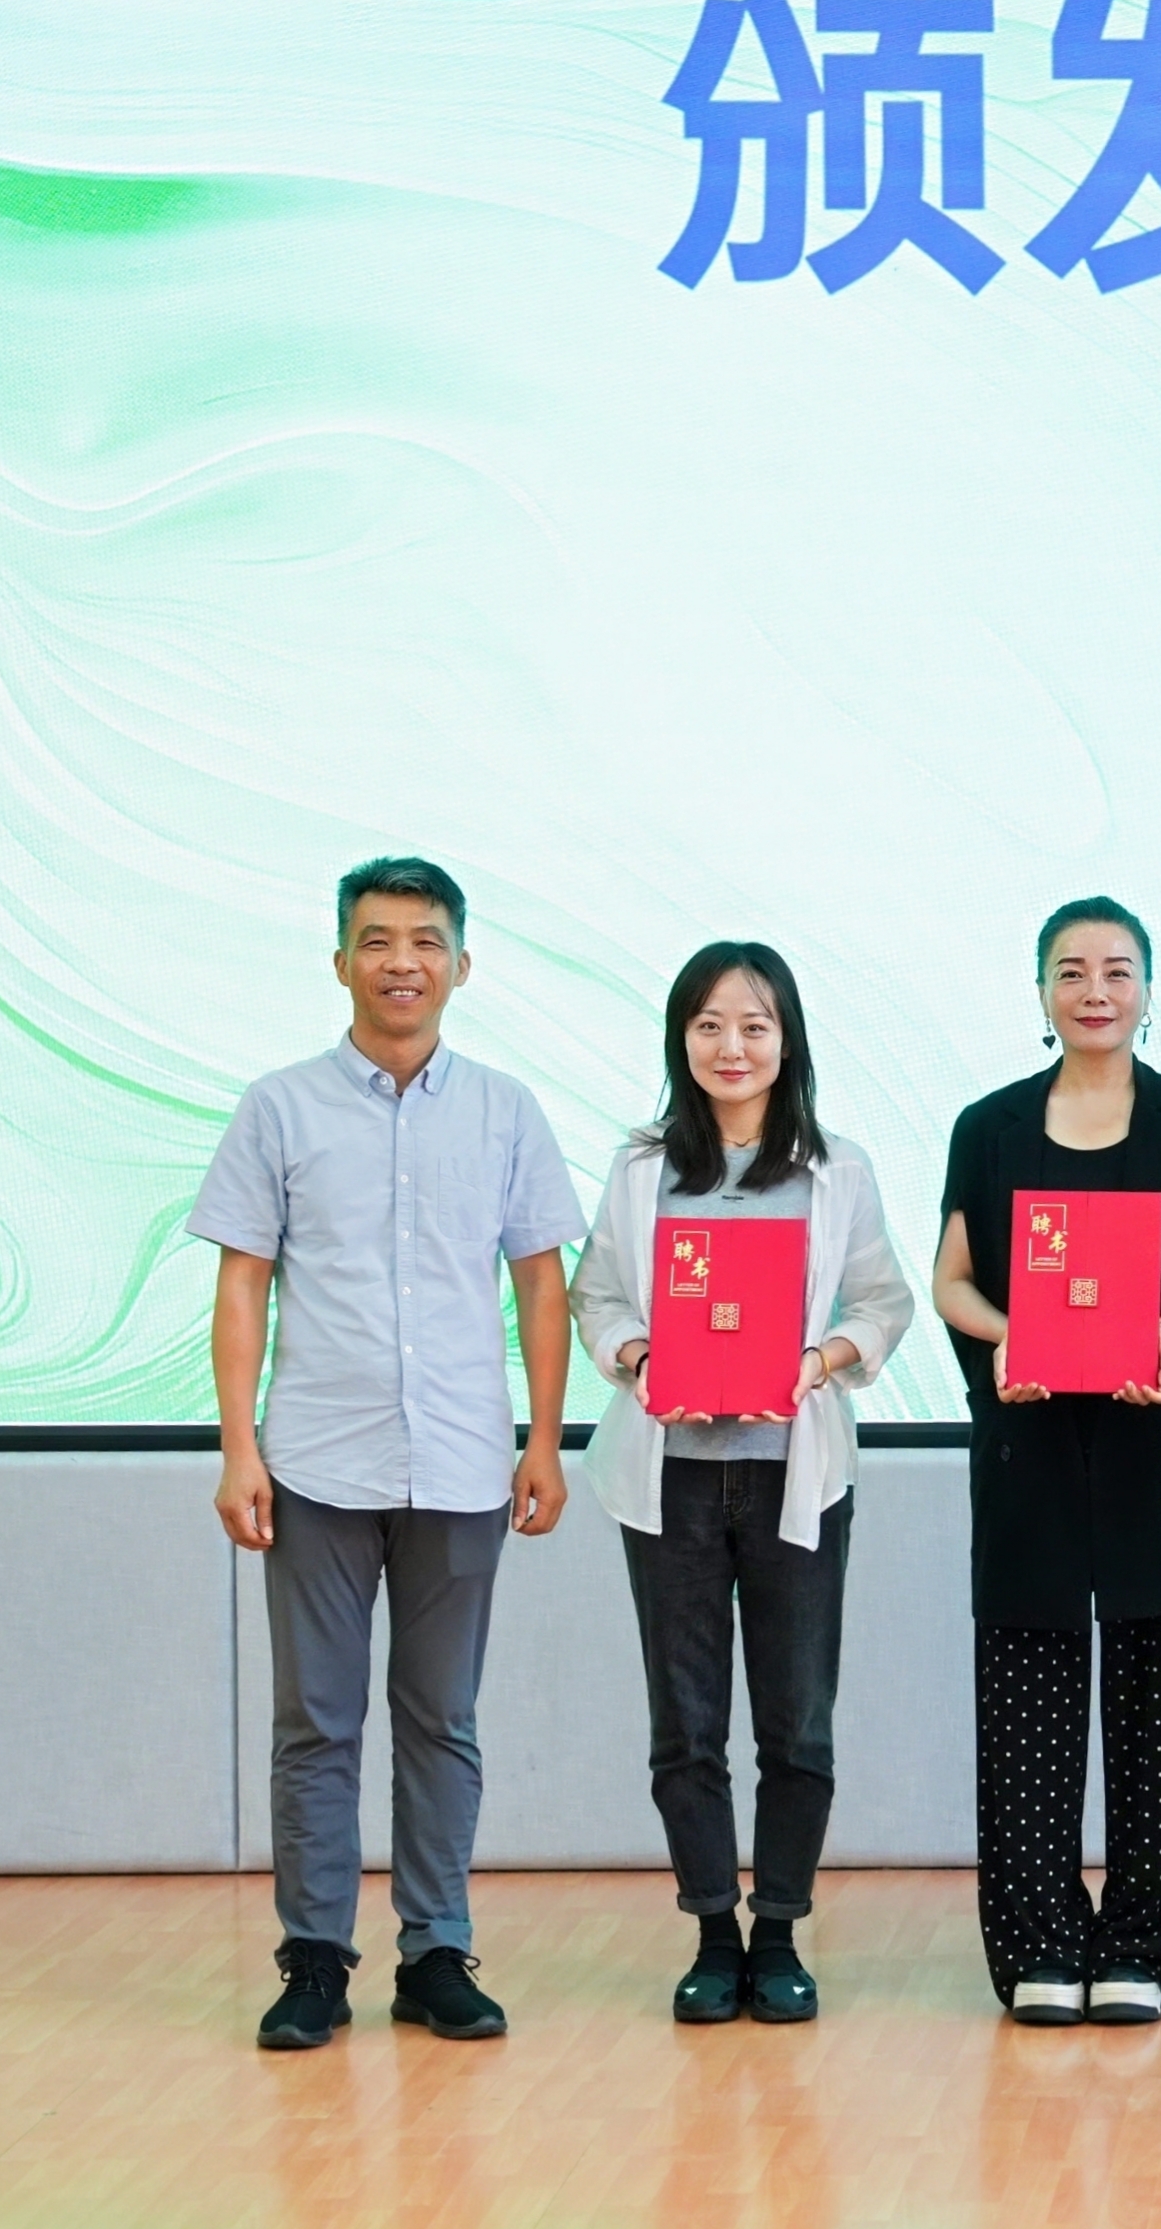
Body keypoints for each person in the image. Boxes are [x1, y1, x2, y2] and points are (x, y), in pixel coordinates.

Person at [189, 856, 585, 2051]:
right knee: (315, 1721)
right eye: (376, 939)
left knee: (441, 1717)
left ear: (462, 963)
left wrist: (546, 1439)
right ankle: (314, 1957)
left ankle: (436, 1949)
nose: (400, 961)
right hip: (316, 1459)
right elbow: (243, 1282)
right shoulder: (279, 1106)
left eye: (424, 940)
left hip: (463, 1459)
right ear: (340, 961)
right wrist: (239, 1447)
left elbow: (541, 1283)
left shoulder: (506, 1109)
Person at [570, 943, 915, 2027]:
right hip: (669, 1480)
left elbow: (883, 1302)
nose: (732, 1046)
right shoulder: (639, 1169)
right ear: (682, 1038)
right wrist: (639, 1357)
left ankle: (780, 1933)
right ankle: (714, 1932)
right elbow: (598, 1298)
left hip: (792, 1475)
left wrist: (819, 1361)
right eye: (710, 1024)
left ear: (787, 1042)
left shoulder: (836, 1167)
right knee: (686, 1722)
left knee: (796, 1719)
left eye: (755, 1026)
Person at [930, 897, 1161, 2027]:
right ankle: (1040, 1944)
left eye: (1118, 969)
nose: (1095, 989)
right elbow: (952, 1280)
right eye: (1070, 970)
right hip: (1028, 1441)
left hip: (1151, 1439)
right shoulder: (990, 1126)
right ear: (1041, 992)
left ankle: (1146, 1947)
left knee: (1160, 1702)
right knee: (1027, 1700)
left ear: (1149, 991)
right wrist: (1006, 1336)